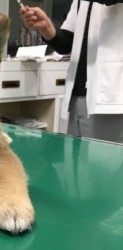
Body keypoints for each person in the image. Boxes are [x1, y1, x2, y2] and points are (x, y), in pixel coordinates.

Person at [20, 0, 123, 144]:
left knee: (104, 163)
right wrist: (46, 26)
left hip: (110, 94)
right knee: (76, 164)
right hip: (78, 95)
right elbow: (67, 43)